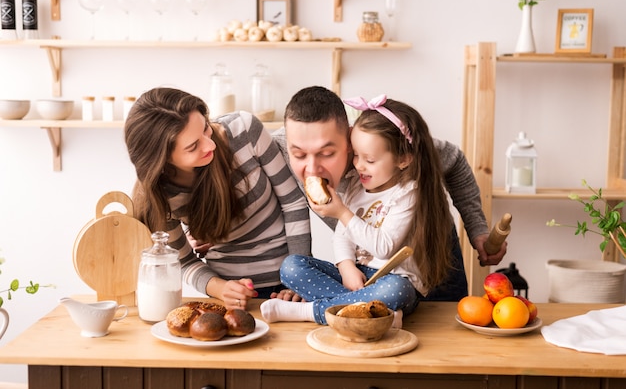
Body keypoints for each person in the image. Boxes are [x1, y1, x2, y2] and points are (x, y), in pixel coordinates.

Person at [270, 86, 506, 302]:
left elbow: (454, 162)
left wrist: (478, 229)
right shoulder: (279, 145)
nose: (312, 168)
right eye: (299, 155)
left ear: (350, 140)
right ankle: (359, 310)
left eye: (327, 153)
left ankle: (333, 308)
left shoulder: (381, 144)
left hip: (428, 252)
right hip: (364, 262)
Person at [260, 95, 459, 325]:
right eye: (356, 155)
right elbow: (342, 235)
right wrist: (345, 266)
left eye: (369, 160)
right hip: (358, 274)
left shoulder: (407, 193)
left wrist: (342, 212)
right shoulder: (359, 182)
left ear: (403, 159)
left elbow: (384, 249)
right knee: (291, 266)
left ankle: (309, 313)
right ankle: (377, 314)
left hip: (391, 277)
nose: (358, 165)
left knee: (397, 290)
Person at [124, 87, 311, 311]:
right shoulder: (160, 197)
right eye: (193, 146)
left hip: (290, 287)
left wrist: (300, 278)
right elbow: (183, 262)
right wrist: (220, 288)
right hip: (229, 299)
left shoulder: (244, 129)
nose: (210, 144)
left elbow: (293, 203)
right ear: (162, 161)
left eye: (206, 128)